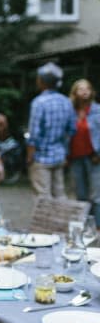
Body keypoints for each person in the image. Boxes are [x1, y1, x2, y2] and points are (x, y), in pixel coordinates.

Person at [26, 62, 77, 199]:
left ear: (41, 81)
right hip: (59, 155)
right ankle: (62, 220)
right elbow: (71, 129)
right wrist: (65, 151)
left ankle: (45, 221)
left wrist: (30, 155)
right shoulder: (66, 101)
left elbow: (34, 133)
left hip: (41, 157)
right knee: (59, 193)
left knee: (43, 196)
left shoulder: (39, 102)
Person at [68, 79, 100, 227]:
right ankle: (84, 225)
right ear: (75, 93)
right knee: (81, 194)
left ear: (92, 92)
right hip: (75, 157)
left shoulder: (97, 110)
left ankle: (98, 226)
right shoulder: (70, 111)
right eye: (81, 89)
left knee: (96, 194)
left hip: (94, 157)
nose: (84, 91)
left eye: (87, 88)